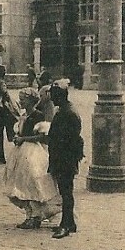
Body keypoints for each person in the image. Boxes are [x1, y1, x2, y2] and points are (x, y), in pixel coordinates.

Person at [7, 88, 61, 229]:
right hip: (21, 152)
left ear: (31, 101)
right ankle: (29, 214)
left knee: (32, 181)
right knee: (22, 183)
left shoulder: (38, 115)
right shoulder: (24, 115)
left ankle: (36, 215)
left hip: (32, 152)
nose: (20, 101)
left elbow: (43, 137)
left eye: (23, 99)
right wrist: (17, 137)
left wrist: (23, 138)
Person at [47, 80, 84, 239]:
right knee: (65, 191)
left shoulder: (67, 113)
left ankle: (65, 225)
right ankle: (69, 223)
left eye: (54, 96)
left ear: (60, 96)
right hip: (61, 157)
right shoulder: (65, 110)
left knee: (66, 192)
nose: (52, 100)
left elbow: (72, 139)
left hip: (65, 158)